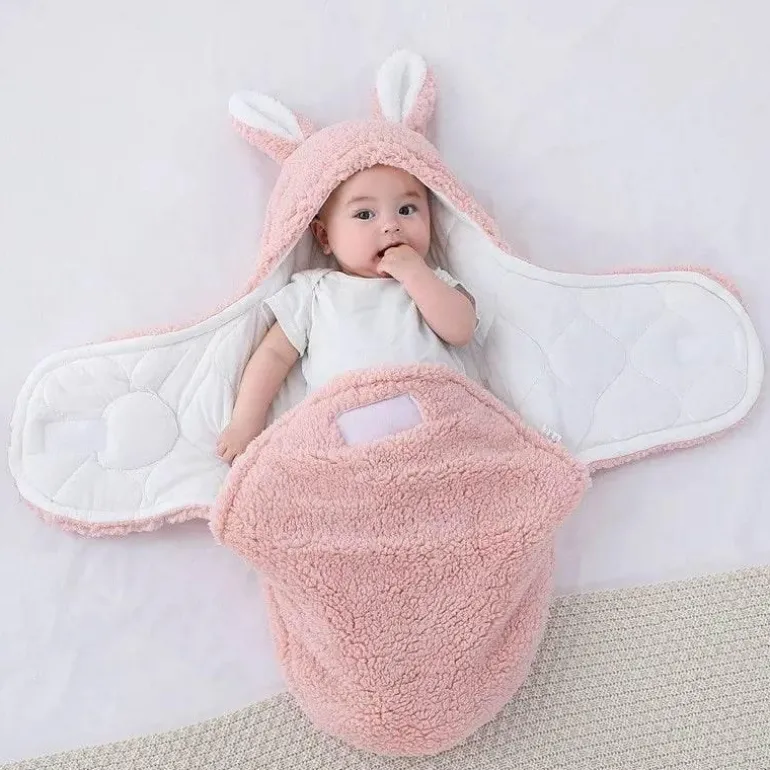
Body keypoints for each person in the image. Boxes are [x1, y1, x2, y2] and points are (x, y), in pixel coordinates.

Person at [216, 164, 480, 463]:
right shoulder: (315, 292)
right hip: (345, 433)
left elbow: (462, 330)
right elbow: (273, 356)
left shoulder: (433, 283)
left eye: (407, 210)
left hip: (435, 425)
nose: (391, 225)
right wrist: (245, 423)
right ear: (324, 236)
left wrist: (416, 275)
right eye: (365, 214)